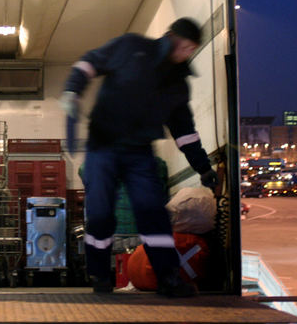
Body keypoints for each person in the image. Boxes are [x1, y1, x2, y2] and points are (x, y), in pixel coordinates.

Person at [59, 17, 218, 297]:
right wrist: (73, 90)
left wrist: (203, 168)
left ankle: (168, 279)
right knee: (99, 215)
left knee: (152, 212)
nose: (185, 53)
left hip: (139, 152)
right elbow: (90, 62)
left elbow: (185, 132)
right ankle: (98, 275)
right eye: (183, 45)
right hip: (103, 145)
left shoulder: (178, 85)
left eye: (191, 49)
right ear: (170, 36)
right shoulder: (131, 47)